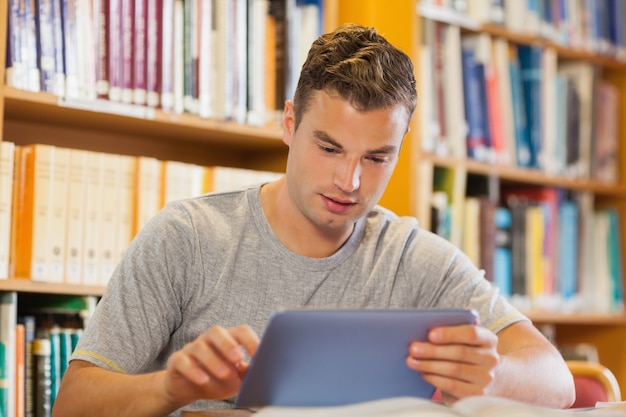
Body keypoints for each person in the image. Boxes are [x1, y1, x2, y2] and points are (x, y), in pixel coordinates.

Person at [53, 23, 575, 417]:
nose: (350, 180)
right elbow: (72, 403)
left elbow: (558, 382)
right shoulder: (187, 237)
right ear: (289, 123)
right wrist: (171, 386)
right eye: (329, 147)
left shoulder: (414, 258)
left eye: (376, 157)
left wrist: (494, 372)